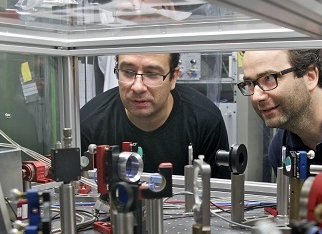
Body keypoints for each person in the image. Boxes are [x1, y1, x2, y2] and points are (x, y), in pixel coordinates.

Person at [80, 52, 231, 178]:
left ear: (173, 77)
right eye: (127, 72)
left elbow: (220, 201)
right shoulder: (89, 124)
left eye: (152, 74)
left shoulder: (206, 121)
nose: (138, 87)